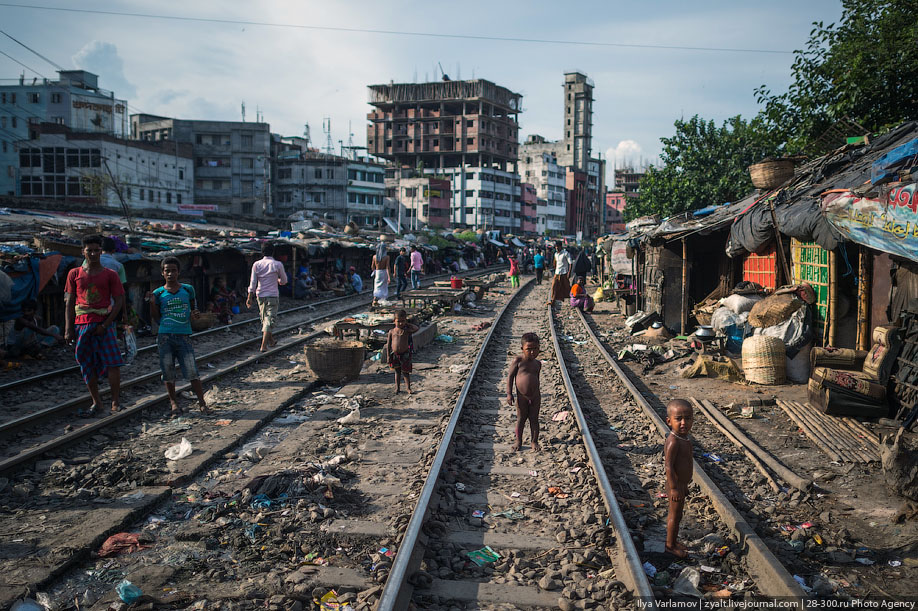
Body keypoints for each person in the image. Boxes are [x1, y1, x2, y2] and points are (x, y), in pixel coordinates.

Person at [65, 234, 125, 416]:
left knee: (113, 362)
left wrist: (106, 325)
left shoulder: (110, 275)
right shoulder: (74, 274)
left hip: (103, 322)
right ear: (83, 251)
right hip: (82, 324)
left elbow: (119, 300)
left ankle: (115, 401)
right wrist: (68, 329)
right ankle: (96, 402)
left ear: (101, 251)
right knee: (85, 363)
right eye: (89, 250)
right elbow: (69, 302)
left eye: (96, 250)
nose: (92, 254)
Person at [152, 257, 209, 417]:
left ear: (179, 272)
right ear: (162, 273)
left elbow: (193, 309)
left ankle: (202, 403)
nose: (170, 274)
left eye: (173, 270)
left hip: (183, 335)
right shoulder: (158, 293)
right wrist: (151, 304)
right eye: (167, 271)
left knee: (192, 370)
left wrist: (194, 314)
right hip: (165, 336)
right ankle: (173, 403)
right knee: (168, 371)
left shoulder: (188, 289)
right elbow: (155, 317)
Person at [664, 399, 694, 558]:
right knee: (674, 516)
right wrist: (675, 487)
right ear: (669, 421)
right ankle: (669, 545)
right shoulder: (673, 441)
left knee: (679, 515)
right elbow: (668, 466)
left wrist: (684, 485)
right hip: (675, 485)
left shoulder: (685, 438)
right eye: (679, 419)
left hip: (680, 484)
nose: (684, 423)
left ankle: (674, 542)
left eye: (688, 418)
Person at [246, 241, 287, 352]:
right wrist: (278, 280)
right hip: (272, 295)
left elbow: (253, 282)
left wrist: (249, 297)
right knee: (269, 320)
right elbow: (284, 281)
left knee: (264, 319)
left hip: (260, 295)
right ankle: (263, 346)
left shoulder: (256, 264)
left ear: (262, 252)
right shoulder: (277, 265)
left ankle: (271, 341)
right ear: (273, 252)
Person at [506, 332, 542, 452]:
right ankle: (518, 440)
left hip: (536, 396)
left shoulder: (538, 364)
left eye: (535, 349)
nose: (532, 352)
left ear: (539, 348)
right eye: (529, 349)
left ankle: (534, 441)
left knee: (534, 419)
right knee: (521, 419)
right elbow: (510, 377)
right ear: (522, 349)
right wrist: (509, 393)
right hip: (522, 397)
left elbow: (536, 378)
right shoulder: (518, 361)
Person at [386, 309, 419, 394]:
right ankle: (397, 388)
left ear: (406, 320)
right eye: (398, 321)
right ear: (394, 321)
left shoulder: (406, 331)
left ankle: (408, 388)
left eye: (403, 321)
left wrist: (407, 324)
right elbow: (388, 345)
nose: (401, 323)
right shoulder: (391, 332)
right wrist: (388, 356)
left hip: (405, 354)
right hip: (395, 354)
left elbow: (416, 328)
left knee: (406, 372)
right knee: (397, 372)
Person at [371, 241, 390, 306]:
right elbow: (387, 267)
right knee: (384, 286)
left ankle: (375, 299)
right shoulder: (387, 257)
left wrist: (375, 272)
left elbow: (372, 267)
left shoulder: (374, 257)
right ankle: (382, 300)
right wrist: (389, 277)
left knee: (377, 286)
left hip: (377, 272)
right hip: (384, 272)